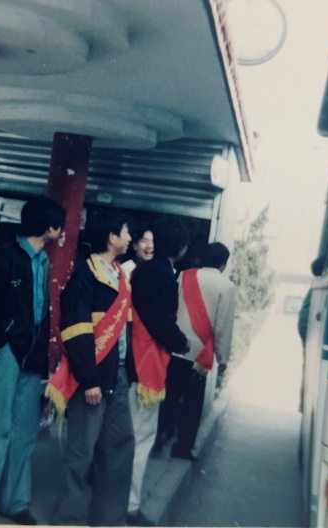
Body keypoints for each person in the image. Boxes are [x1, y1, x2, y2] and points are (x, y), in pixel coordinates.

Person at [0, 196, 66, 526]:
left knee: (25, 431)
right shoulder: (1, 256)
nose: (62, 232)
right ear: (49, 227)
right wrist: (7, 330)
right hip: (4, 350)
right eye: (59, 226)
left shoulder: (44, 261)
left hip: (31, 354)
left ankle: (15, 502)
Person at [49, 212, 136, 527]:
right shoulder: (84, 277)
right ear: (111, 237)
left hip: (118, 376)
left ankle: (108, 519)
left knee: (120, 446)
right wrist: (89, 380)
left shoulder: (120, 276)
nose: (130, 238)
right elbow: (76, 331)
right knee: (81, 453)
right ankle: (68, 519)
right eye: (126, 232)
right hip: (93, 379)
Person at [127, 217, 191, 526]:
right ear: (180, 247)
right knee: (141, 436)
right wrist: (181, 342)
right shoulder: (163, 274)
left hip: (133, 359)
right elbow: (161, 322)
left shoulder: (142, 270)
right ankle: (129, 505)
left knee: (129, 433)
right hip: (146, 365)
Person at [165, 242, 236, 462]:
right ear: (223, 265)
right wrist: (223, 357)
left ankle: (160, 436)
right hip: (199, 354)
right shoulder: (226, 287)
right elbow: (223, 326)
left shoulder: (183, 275)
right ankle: (183, 448)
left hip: (176, 347)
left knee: (169, 396)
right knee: (192, 404)